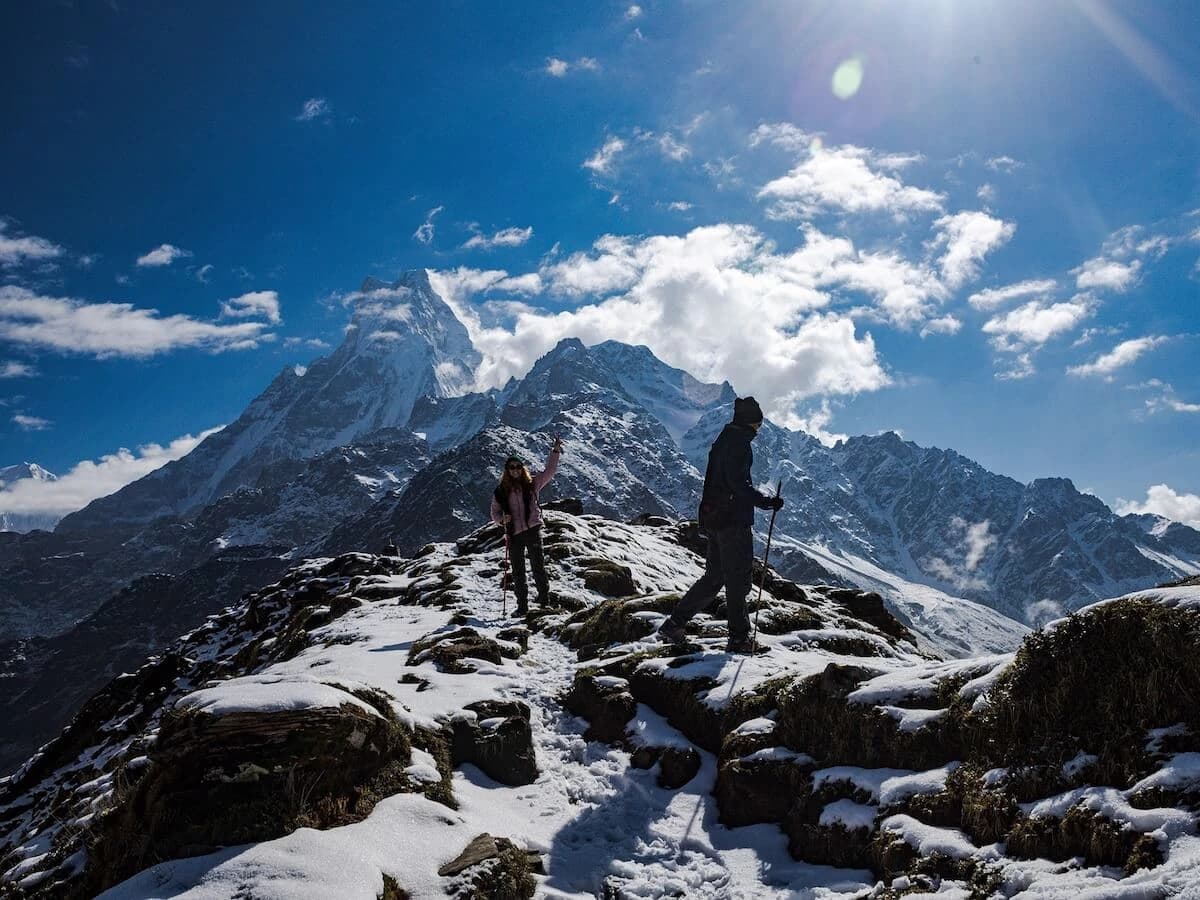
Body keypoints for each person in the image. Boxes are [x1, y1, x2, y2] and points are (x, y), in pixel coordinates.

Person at [658, 397, 784, 654]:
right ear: (751, 422)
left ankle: (674, 624)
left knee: (714, 577)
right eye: (758, 425)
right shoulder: (739, 444)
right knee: (737, 580)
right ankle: (739, 639)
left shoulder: (723, 439)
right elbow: (738, 485)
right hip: (733, 521)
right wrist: (766, 502)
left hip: (714, 517)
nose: (759, 430)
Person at [491, 436, 563, 616]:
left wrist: (555, 451)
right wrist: (501, 521)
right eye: (511, 467)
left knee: (538, 567)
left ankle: (544, 601)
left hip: (532, 530)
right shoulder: (501, 491)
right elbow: (494, 512)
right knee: (518, 572)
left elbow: (550, 471)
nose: (515, 470)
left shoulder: (532, 484)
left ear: (522, 469)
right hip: (513, 534)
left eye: (517, 467)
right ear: (507, 470)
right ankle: (522, 607)